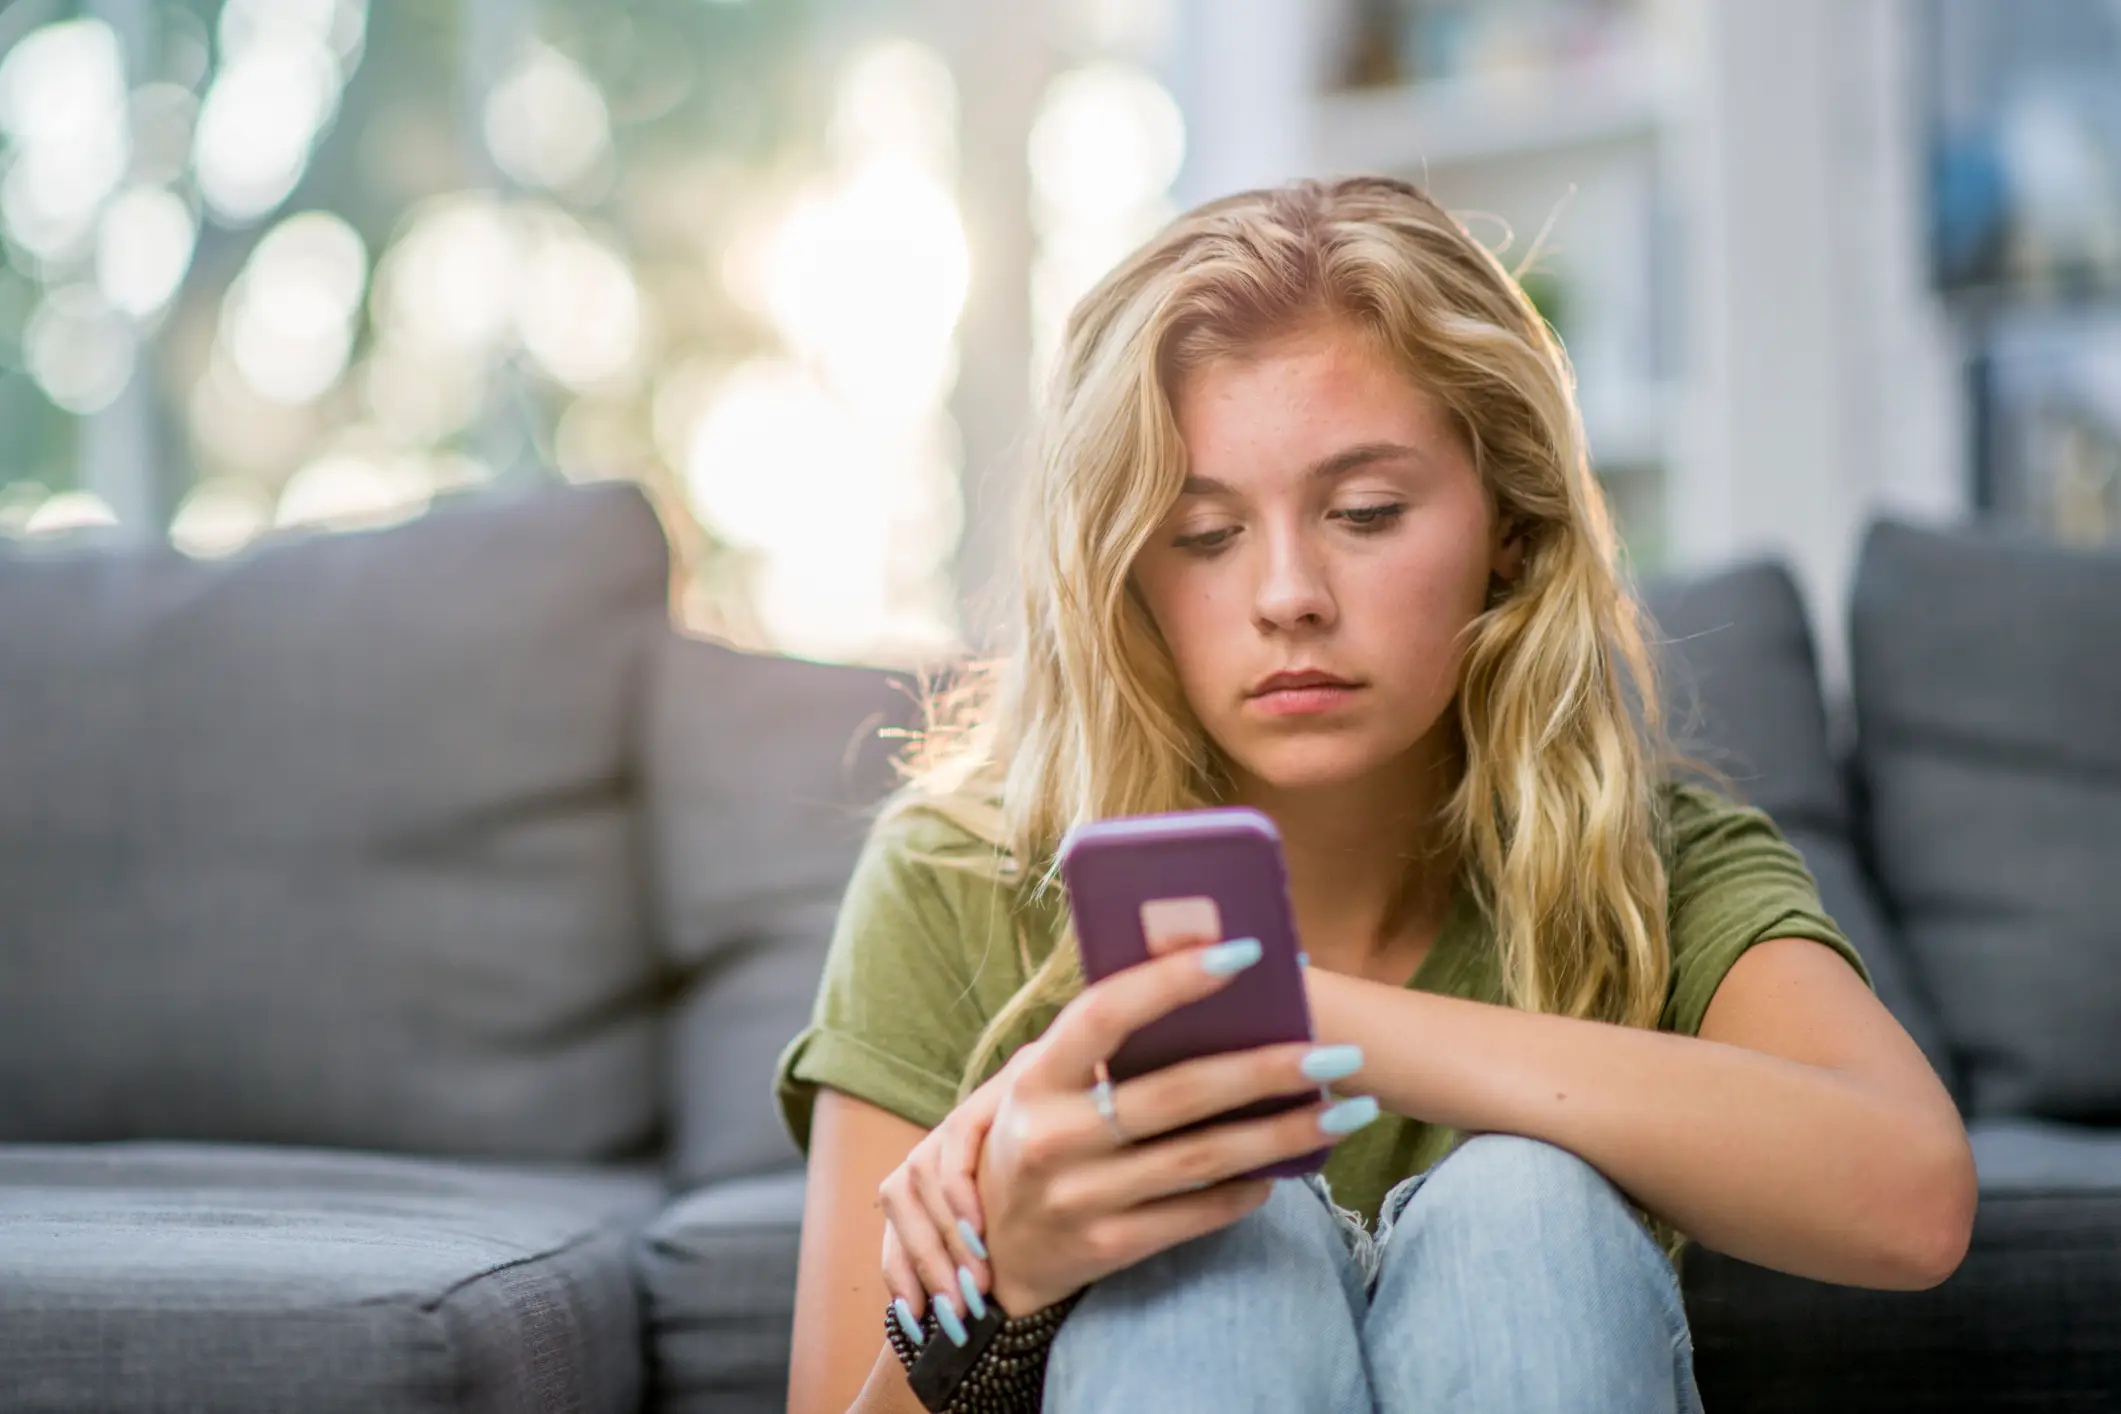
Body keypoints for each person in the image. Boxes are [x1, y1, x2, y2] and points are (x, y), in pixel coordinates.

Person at [773, 176, 1974, 1414]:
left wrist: (1293, 1020)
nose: (1288, 592)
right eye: (1203, 535)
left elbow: (1914, 1194)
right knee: (1220, 1253)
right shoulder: (957, 870)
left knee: (1525, 1208)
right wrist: (1008, 1288)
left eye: (1364, 512)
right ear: (1129, 570)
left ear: (1511, 522)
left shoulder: (1643, 860)